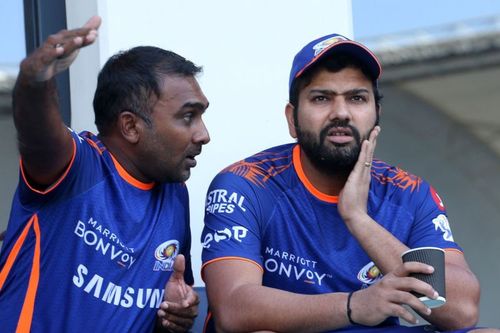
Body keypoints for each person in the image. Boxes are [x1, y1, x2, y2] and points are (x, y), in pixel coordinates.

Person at [200, 33, 494, 333]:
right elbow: (234, 308)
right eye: (321, 98)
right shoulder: (247, 183)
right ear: (292, 119)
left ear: (377, 116)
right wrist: (354, 305)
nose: (340, 113)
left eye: (357, 98)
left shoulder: (410, 193)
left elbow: (461, 311)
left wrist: (359, 219)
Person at [0, 16, 209, 332]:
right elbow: (38, 132)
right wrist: (35, 79)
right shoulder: (79, 167)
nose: (203, 134)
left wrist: (177, 314)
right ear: (130, 126)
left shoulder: (175, 192)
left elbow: (173, 298)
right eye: (188, 117)